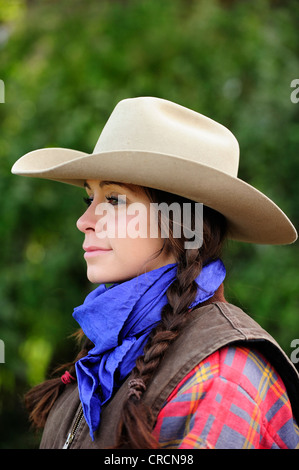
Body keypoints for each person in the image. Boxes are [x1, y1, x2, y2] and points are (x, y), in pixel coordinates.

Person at [11, 97, 299, 449]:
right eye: (90, 199)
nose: (84, 222)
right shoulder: (109, 351)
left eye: (114, 199)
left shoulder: (226, 375)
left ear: (182, 223)